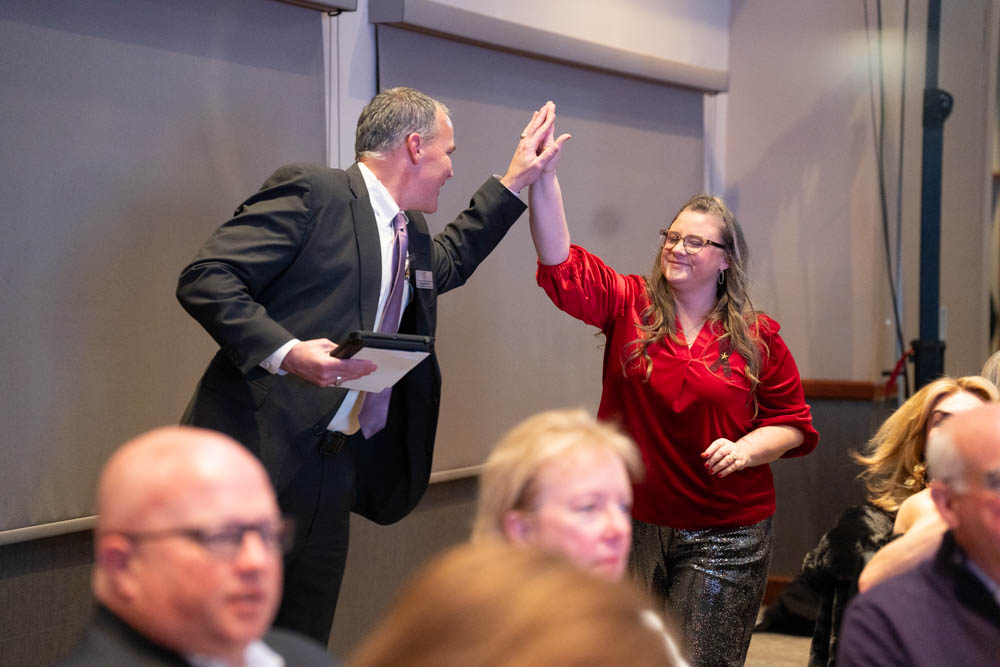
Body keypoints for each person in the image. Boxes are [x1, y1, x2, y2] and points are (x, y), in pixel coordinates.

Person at [176, 88, 564, 642]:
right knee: (219, 639)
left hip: (332, 470)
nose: (452, 169)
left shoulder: (411, 233)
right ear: (413, 146)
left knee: (301, 644)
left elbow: (448, 263)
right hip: (252, 458)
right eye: (448, 152)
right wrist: (288, 354)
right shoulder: (315, 192)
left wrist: (514, 181)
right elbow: (207, 277)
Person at [527, 122, 818, 666]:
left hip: (725, 530)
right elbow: (560, 263)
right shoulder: (627, 304)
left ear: (725, 259)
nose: (677, 248)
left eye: (695, 241)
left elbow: (793, 424)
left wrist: (747, 449)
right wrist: (543, 180)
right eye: (672, 236)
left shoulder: (757, 336)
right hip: (632, 519)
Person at [59, 426, 333, 666]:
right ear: (121, 565)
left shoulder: (306, 658)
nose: (257, 562)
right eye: (222, 537)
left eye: (267, 535)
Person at [795, 375, 996, 665]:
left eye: (972, 420)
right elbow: (873, 579)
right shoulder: (924, 506)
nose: (957, 432)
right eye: (942, 421)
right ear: (922, 438)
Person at [350, 540, 683, 667]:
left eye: (622, 505)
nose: (614, 528)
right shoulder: (478, 602)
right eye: (588, 506)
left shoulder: (634, 630)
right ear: (518, 524)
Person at [471, 407, 642, 581]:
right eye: (589, 507)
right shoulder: (489, 607)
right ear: (522, 531)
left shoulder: (628, 607)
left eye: (623, 507)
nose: (620, 528)